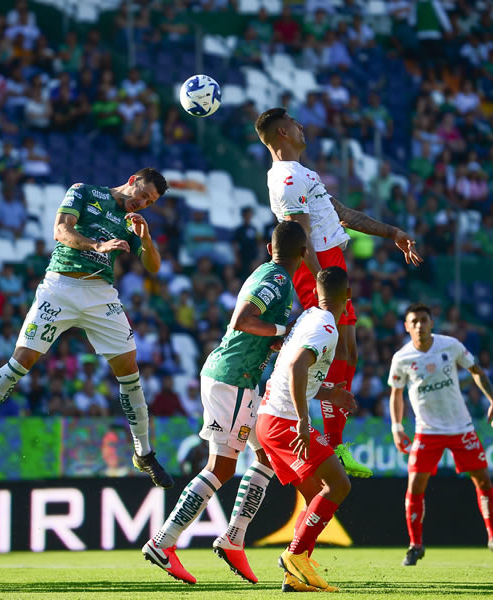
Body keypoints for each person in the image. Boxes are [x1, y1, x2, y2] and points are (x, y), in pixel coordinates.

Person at [144, 222, 356, 588]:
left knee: (263, 458)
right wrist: (280, 333)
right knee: (222, 467)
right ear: (304, 253)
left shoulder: (269, 274)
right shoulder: (277, 279)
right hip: (233, 377)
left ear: (267, 245)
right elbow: (241, 321)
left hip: (239, 378)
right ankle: (163, 543)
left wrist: (278, 343)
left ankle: (234, 538)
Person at [0, 168, 174, 488]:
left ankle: (144, 453)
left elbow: (153, 267)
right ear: (133, 180)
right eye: (143, 195)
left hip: (100, 295)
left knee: (130, 374)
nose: (143, 203)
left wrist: (145, 238)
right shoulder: (85, 191)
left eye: (150, 203)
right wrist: (98, 246)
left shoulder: (132, 223)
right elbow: (60, 231)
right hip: (61, 286)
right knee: (20, 362)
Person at [255, 107, 423, 479]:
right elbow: (300, 239)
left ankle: (334, 440)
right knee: (329, 348)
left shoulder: (304, 174)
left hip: (331, 264)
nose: (302, 128)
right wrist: (322, 281)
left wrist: (392, 232)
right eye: (296, 125)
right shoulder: (285, 178)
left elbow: (343, 214)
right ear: (283, 132)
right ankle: (320, 435)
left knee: (348, 349)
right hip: (316, 267)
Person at [388, 302, 493, 565]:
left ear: (432, 323)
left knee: (484, 481)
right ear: (407, 327)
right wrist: (397, 427)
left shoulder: (450, 345)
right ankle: (415, 545)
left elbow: (476, 370)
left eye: (424, 319)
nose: (420, 325)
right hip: (427, 430)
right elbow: (396, 393)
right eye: (415, 321)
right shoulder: (402, 358)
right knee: (415, 486)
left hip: (461, 427)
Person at [259, 266, 356, 592]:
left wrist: (330, 392)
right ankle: (295, 555)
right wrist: (303, 419)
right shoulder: (328, 327)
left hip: (268, 417)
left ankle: (295, 576)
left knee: (317, 494)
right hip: (285, 420)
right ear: (349, 297)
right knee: (339, 485)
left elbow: (294, 368)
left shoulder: (308, 316)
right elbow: (298, 364)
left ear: (316, 292)